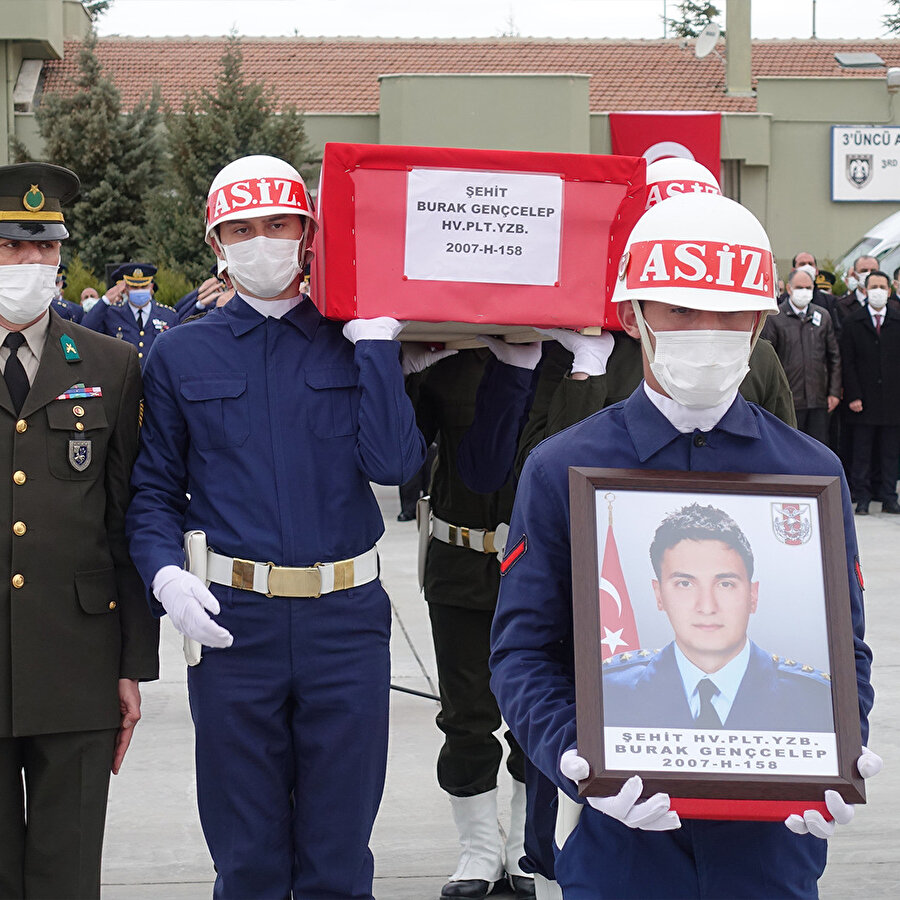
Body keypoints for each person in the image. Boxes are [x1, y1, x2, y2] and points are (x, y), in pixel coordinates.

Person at [490, 192, 879, 899]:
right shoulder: (559, 469)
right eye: (681, 311)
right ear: (635, 316)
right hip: (617, 841)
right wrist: (573, 755)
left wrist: (840, 750)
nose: (709, 331)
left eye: (730, 314)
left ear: (760, 320)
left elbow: (843, 648)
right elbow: (521, 652)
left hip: (770, 849)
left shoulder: (811, 473)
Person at [125, 154, 426, 899]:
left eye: (280, 225)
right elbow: (154, 491)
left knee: (338, 856)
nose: (263, 242)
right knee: (248, 858)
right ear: (216, 243)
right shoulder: (179, 352)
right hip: (235, 623)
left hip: (345, 623)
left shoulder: (350, 338)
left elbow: (394, 464)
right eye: (242, 228)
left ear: (309, 234)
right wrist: (167, 578)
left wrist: (380, 351)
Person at [0, 162, 159, 898]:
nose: (28, 265)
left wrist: (133, 662)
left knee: (68, 876)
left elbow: (128, 518)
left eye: (42, 250)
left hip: (78, 661)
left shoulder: (111, 364)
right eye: (9, 248)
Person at [407, 340, 539, 900]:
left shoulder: (567, 358)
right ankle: (480, 847)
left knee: (537, 716)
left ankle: (529, 844)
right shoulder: (444, 355)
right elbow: (405, 451)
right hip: (460, 559)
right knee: (465, 715)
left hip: (539, 567)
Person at [603, 503, 832, 732]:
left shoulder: (816, 698)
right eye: (685, 583)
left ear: (753, 596)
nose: (707, 606)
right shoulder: (610, 691)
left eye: (725, 584)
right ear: (659, 594)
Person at [839, 269, 900, 515]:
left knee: (890, 453)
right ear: (864, 290)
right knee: (862, 452)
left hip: (892, 400)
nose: (878, 291)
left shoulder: (897, 320)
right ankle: (862, 497)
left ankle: (888, 496)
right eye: (873, 286)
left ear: (889, 290)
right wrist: (853, 395)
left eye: (882, 287)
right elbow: (848, 362)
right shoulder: (853, 322)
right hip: (862, 400)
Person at [762, 267, 840, 445]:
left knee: (819, 446)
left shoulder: (823, 316)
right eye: (800, 287)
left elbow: (834, 356)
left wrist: (834, 392)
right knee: (790, 445)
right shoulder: (775, 318)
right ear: (789, 289)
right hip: (789, 399)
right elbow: (769, 358)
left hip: (818, 399)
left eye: (808, 287)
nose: (804, 292)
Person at [82, 262, 177, 366]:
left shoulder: (168, 315)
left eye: (144, 286)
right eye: (134, 287)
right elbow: (85, 330)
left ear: (151, 287)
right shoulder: (112, 313)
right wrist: (106, 300)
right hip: (122, 379)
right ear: (125, 288)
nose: (139, 290)